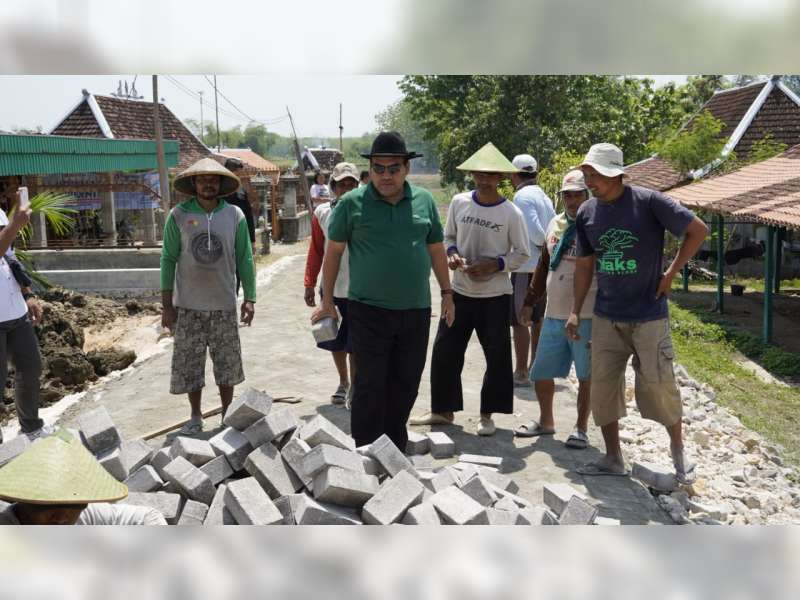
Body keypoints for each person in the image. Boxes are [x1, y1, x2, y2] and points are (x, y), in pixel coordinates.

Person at [567, 143, 709, 482]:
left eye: (596, 175)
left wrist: (671, 273)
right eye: (587, 175)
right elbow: (584, 266)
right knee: (602, 387)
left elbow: (698, 230)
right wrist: (575, 311)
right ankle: (613, 458)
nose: (591, 181)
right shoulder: (587, 212)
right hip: (606, 316)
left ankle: (679, 454)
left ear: (616, 174)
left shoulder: (648, 202)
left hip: (648, 315)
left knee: (659, 385)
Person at [310, 131, 455, 450]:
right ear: (370, 169)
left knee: (406, 384)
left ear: (407, 169)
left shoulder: (424, 201)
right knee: (369, 384)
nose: (386, 175)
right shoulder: (351, 204)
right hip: (367, 311)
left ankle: (393, 447)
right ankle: (365, 450)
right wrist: (328, 300)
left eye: (393, 168)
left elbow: (435, 249)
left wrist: (447, 292)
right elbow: (332, 253)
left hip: (416, 310)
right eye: (379, 168)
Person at [411, 142, 531, 436]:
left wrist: (496, 264)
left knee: (497, 356)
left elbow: (523, 253)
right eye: (479, 174)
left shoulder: (511, 212)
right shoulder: (460, 203)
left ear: (501, 178)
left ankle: (487, 415)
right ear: (473, 175)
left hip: (495, 296)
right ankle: (443, 411)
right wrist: (452, 253)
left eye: (491, 175)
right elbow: (448, 235)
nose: (484, 179)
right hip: (460, 292)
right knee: (444, 352)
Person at [160, 158, 256, 435]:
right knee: (191, 363)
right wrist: (167, 306)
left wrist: (250, 297)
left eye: (213, 180)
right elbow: (168, 259)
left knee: (227, 363)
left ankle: (227, 413)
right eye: (203, 180)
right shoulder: (178, 215)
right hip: (188, 304)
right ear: (194, 184)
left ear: (221, 184)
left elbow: (245, 258)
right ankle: (195, 415)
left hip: (224, 302)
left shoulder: (234, 215)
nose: (208, 184)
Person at [514, 170, 595, 449]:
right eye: (568, 195)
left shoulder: (598, 224)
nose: (573, 201)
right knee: (541, 370)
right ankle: (546, 421)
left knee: (586, 375)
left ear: (588, 195)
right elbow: (544, 265)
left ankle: (581, 428)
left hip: (587, 315)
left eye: (578, 195)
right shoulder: (555, 224)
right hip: (553, 313)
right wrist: (529, 300)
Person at [0, 429, 166, 525]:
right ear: (23, 501)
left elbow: (148, 516)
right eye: (48, 508)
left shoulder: (84, 515)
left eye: (72, 508)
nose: (61, 518)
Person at [304, 162, 360, 408]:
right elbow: (317, 250)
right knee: (335, 337)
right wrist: (310, 281)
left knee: (356, 342)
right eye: (341, 184)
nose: (346, 188)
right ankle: (343, 382)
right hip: (332, 286)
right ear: (333, 186)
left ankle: (356, 386)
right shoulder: (322, 213)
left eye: (351, 183)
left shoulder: (367, 211)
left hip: (360, 287)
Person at [0, 197, 47, 440]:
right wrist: (15, 225)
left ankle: (31, 427)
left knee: (30, 369)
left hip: (15, 312)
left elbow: (9, 256)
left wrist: (27, 294)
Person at [509, 154, 555, 387]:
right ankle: (535, 366)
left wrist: (542, 246)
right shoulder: (544, 196)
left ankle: (521, 371)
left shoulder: (522, 197)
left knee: (520, 320)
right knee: (537, 319)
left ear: (514, 175)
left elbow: (536, 232)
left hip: (527, 266)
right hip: (543, 268)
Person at [222, 157, 258, 264]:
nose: (238, 178)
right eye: (237, 174)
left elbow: (248, 215)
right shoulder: (217, 192)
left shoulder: (241, 190)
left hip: (239, 236)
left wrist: (252, 240)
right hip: (223, 237)